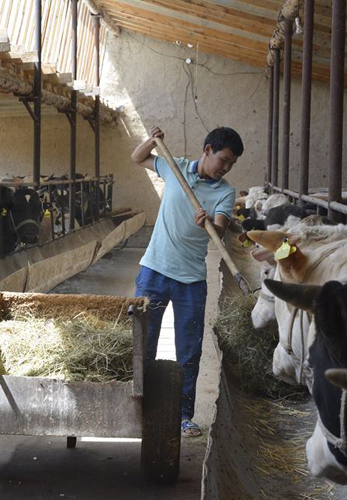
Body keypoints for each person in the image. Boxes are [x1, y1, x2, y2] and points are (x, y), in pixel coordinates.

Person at [131, 126, 243, 438]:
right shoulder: (174, 166)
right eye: (223, 160)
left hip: (191, 280)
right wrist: (153, 140)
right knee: (143, 343)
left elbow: (220, 230)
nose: (226, 167)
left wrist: (209, 224)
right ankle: (139, 406)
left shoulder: (225, 192)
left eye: (231, 164)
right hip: (154, 270)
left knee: (189, 350)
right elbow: (137, 158)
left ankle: (183, 415)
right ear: (207, 150)